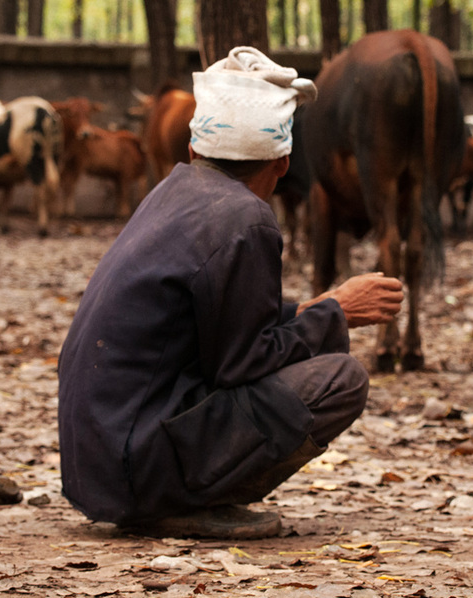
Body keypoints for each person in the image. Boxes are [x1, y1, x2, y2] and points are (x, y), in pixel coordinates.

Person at [57, 47, 404, 539]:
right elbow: (240, 362)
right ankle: (185, 501)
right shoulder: (247, 218)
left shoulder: (174, 189)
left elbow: (220, 321)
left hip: (99, 462)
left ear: (195, 151)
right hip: (136, 466)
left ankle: (175, 493)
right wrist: (336, 311)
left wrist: (305, 310)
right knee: (340, 379)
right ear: (282, 164)